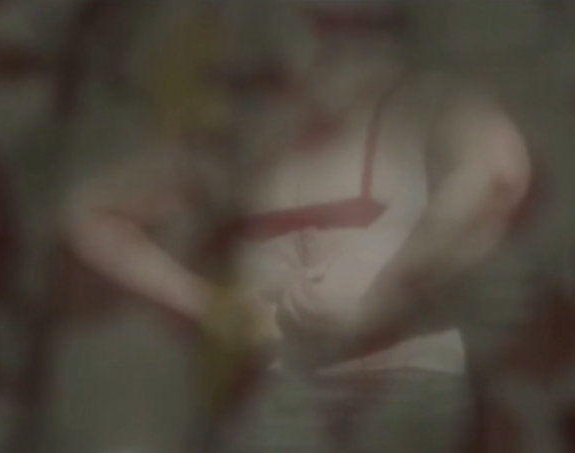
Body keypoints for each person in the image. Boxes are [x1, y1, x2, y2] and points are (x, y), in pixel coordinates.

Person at [62, 2, 532, 452]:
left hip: (399, 379)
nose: (336, 45)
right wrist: (202, 304)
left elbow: (499, 172)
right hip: (286, 389)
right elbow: (92, 212)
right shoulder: (247, 134)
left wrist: (392, 278)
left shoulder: (416, 108)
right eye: (322, 24)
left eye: (355, 25)